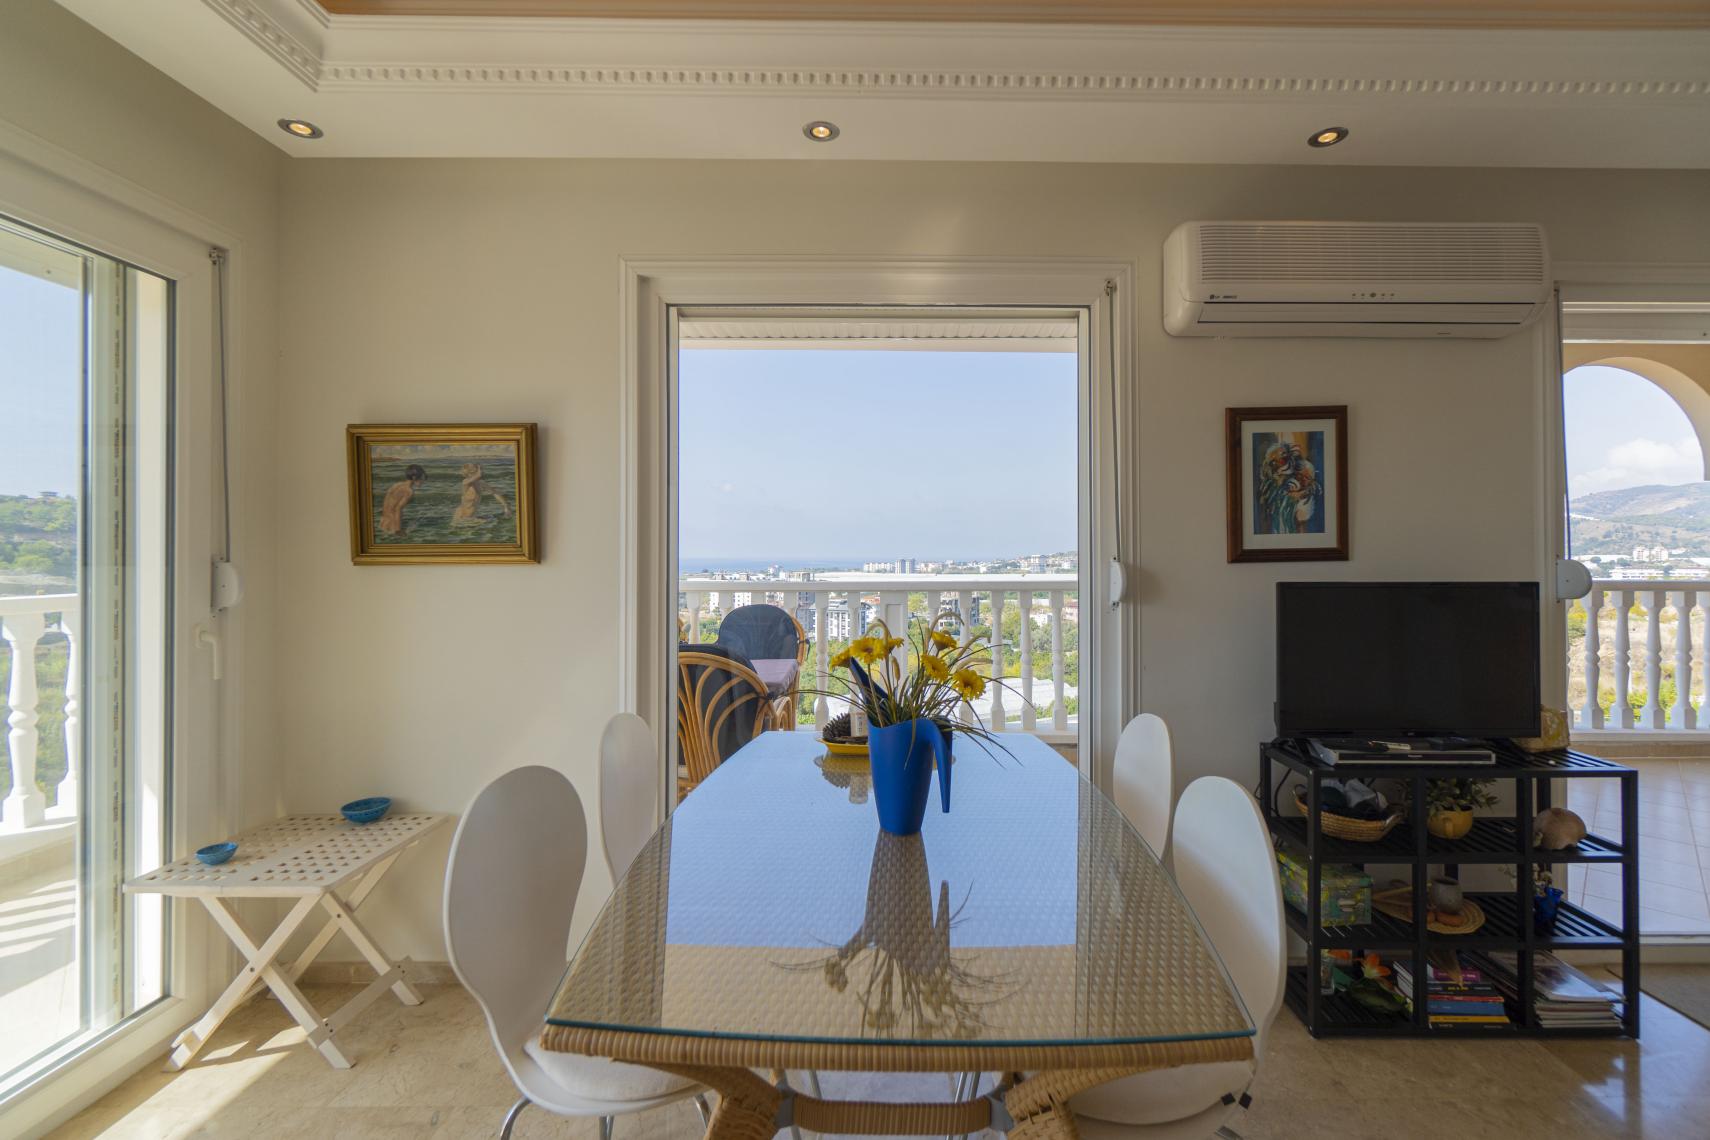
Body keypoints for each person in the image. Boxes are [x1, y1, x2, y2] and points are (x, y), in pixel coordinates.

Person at [379, 464, 426, 536]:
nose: (423, 481)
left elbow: (386, 503)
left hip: (383, 522)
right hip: (392, 525)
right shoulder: (409, 491)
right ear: (414, 477)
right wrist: (398, 530)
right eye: (421, 479)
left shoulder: (397, 485)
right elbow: (398, 509)